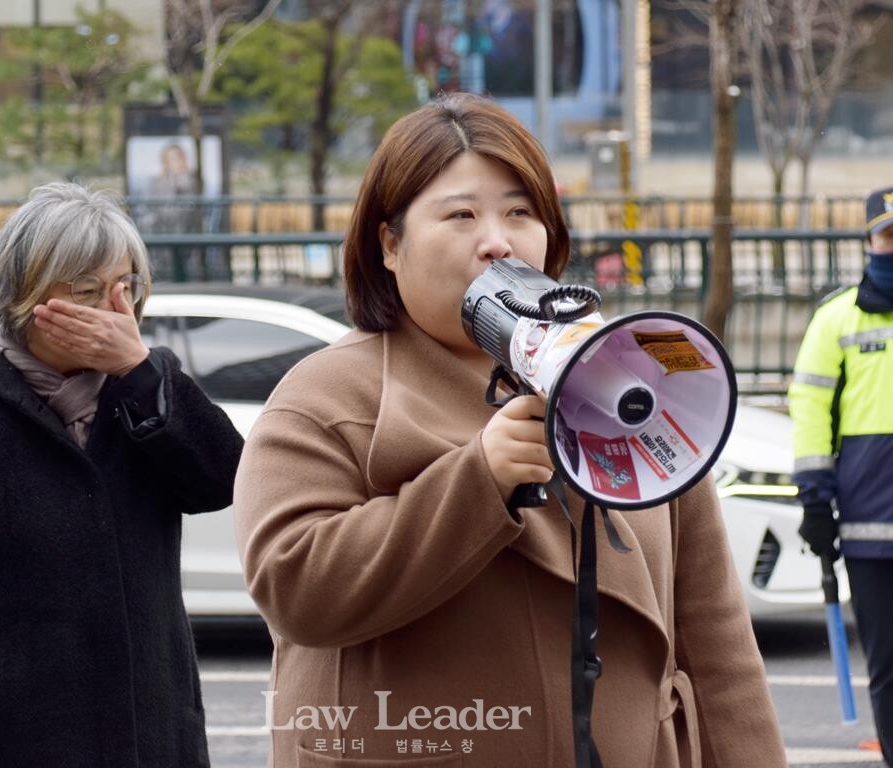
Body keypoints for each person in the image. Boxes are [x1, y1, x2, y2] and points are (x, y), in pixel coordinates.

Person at [233, 93, 786, 767]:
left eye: (520, 212)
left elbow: (715, 635)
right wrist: (477, 482)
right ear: (390, 245)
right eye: (461, 214)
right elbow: (295, 588)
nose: (497, 240)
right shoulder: (328, 395)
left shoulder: (627, 380)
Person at [0, 182, 244, 768]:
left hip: (151, 734)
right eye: (87, 291)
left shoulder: (144, 388)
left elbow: (221, 481)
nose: (113, 309)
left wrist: (138, 371)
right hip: (9, 740)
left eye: (125, 287)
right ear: (24, 295)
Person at [789, 185, 893, 763]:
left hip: (868, 523)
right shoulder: (836, 320)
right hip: (872, 529)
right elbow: (809, 412)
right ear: (869, 242)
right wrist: (814, 501)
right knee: (889, 668)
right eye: (889, 235)